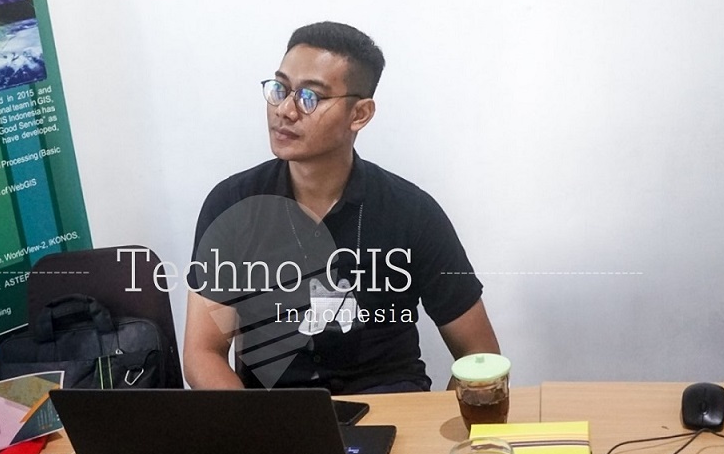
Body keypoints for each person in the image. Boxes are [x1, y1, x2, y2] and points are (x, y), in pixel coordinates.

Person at [183, 21, 499, 394]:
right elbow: (203, 352)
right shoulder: (233, 205)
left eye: (310, 97)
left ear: (359, 114)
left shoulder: (412, 212)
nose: (285, 110)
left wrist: (441, 424)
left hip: (393, 406)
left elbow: (480, 356)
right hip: (279, 410)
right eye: (280, 89)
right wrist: (252, 423)